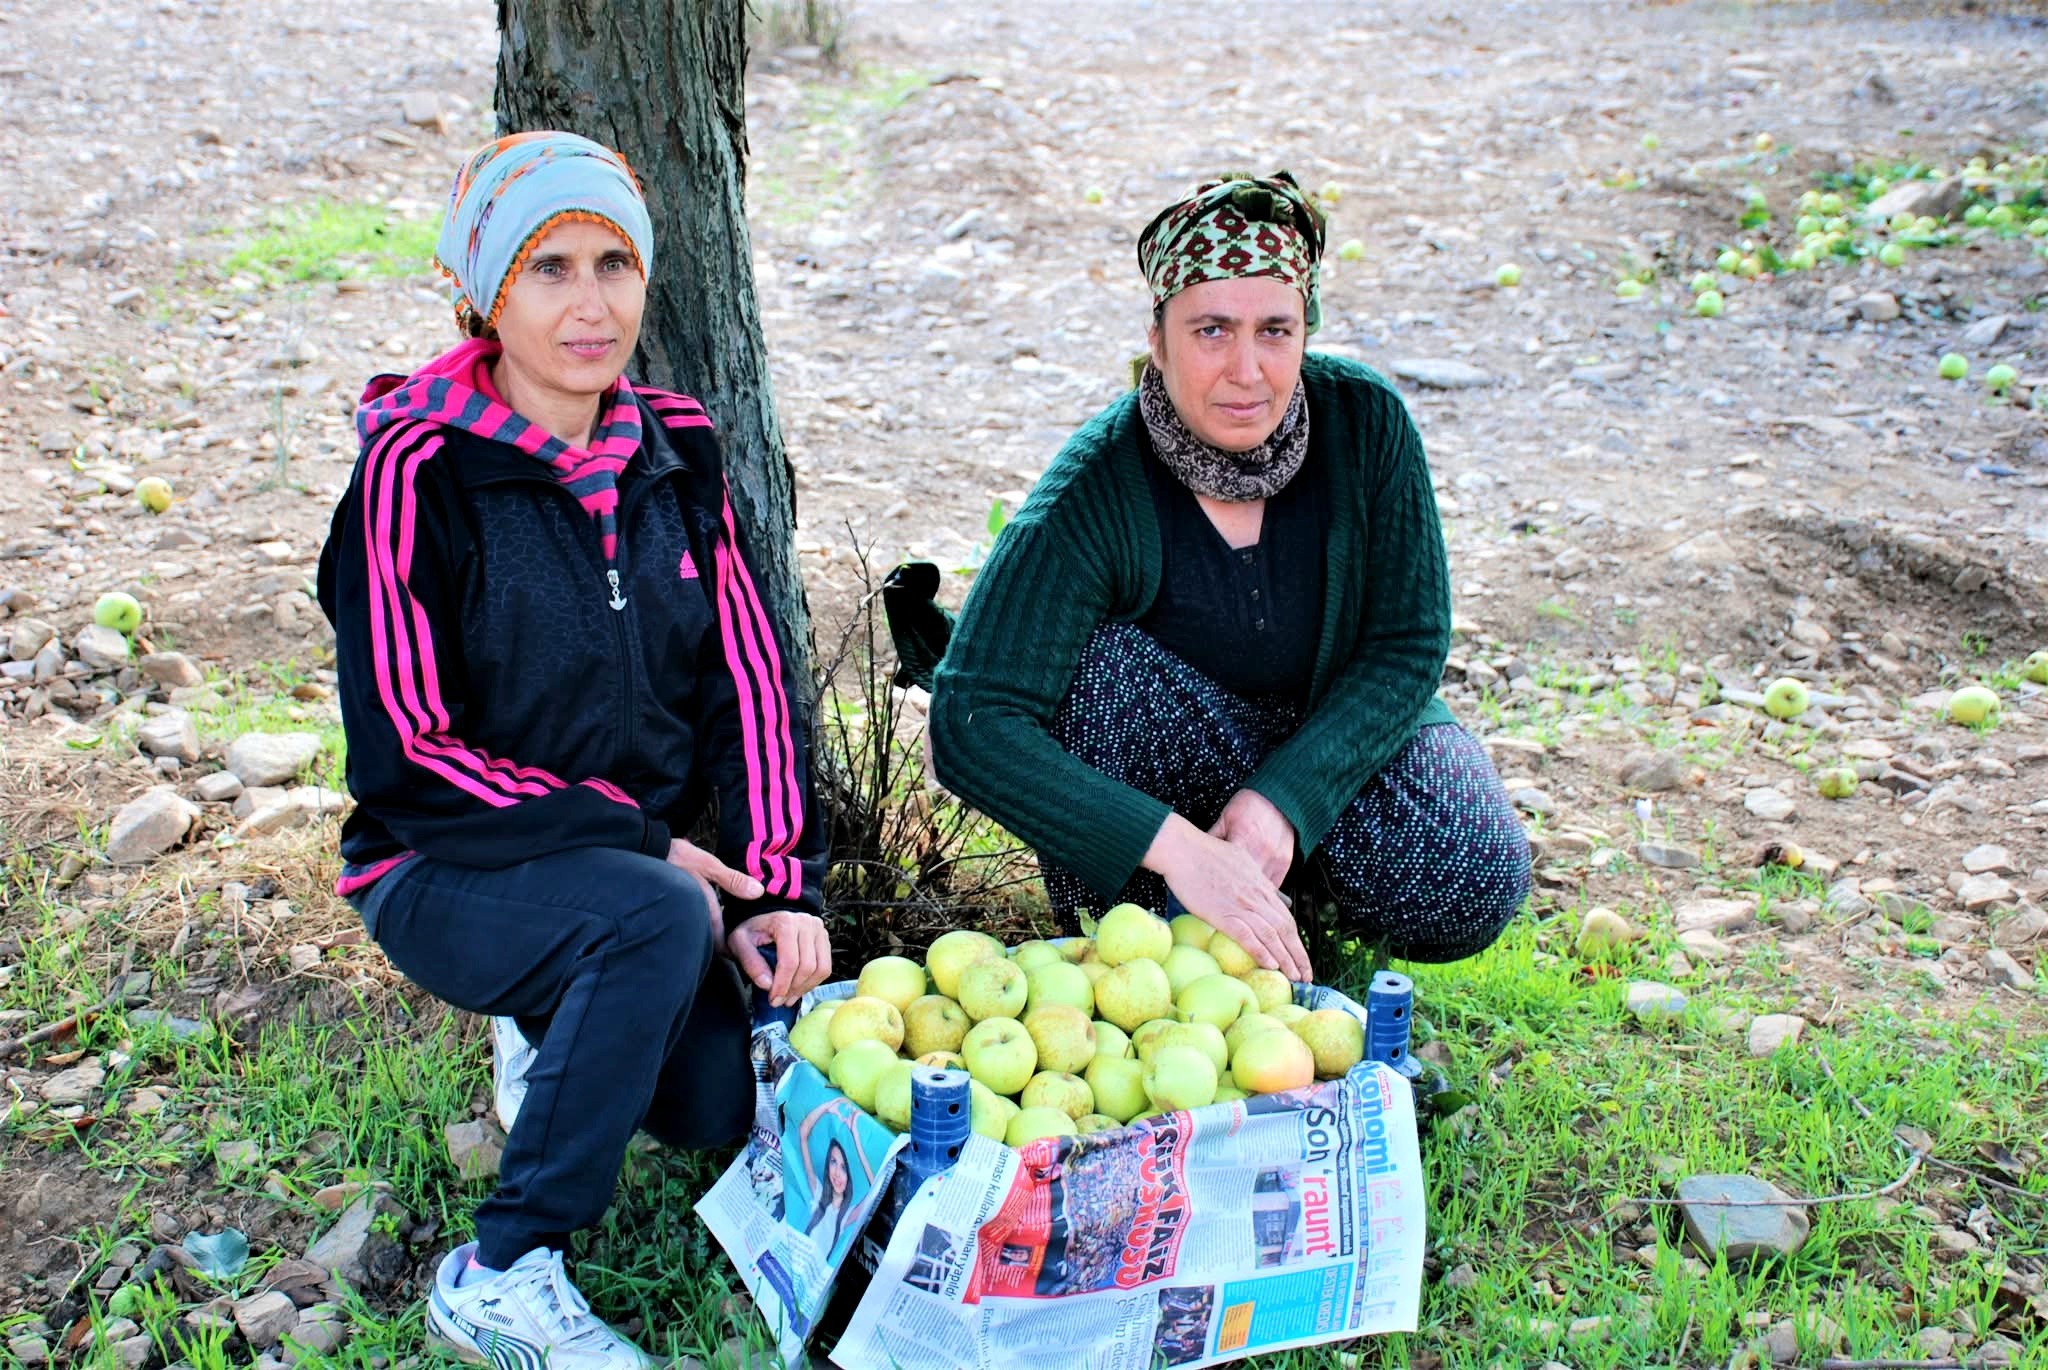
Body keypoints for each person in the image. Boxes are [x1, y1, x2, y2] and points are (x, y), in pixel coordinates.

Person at [316, 131, 834, 1370]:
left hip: (621, 869)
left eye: (614, 264)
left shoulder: (675, 448)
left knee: (712, 1104)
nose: (590, 304)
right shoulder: (413, 473)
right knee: (653, 915)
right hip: (439, 861)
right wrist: (642, 843)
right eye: (547, 268)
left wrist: (774, 886)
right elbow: (404, 755)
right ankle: (501, 1272)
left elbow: (747, 677)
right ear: (483, 294)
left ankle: (560, 1010)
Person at [928, 171, 1529, 982]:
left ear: (1305, 332)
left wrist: (1285, 800)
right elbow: (971, 719)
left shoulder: (1367, 424)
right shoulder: (1095, 488)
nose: (1247, 370)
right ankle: (1161, 929)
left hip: (1328, 741)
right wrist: (1176, 848)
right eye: (1211, 330)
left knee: (1471, 876)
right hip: (1170, 768)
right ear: (1158, 339)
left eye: (1274, 330)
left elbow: (1406, 641)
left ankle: (1298, 900)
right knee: (1097, 670)